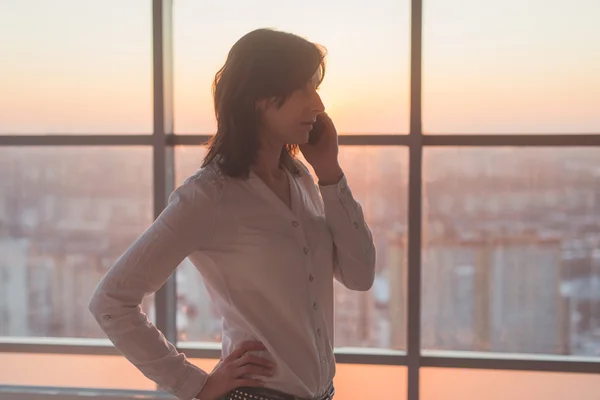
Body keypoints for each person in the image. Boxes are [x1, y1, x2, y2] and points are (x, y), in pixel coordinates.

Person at [88, 28, 376, 400]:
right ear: (259, 96)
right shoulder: (207, 197)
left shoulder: (303, 179)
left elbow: (360, 275)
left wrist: (331, 174)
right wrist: (193, 384)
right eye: (304, 87)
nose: (318, 104)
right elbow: (111, 301)